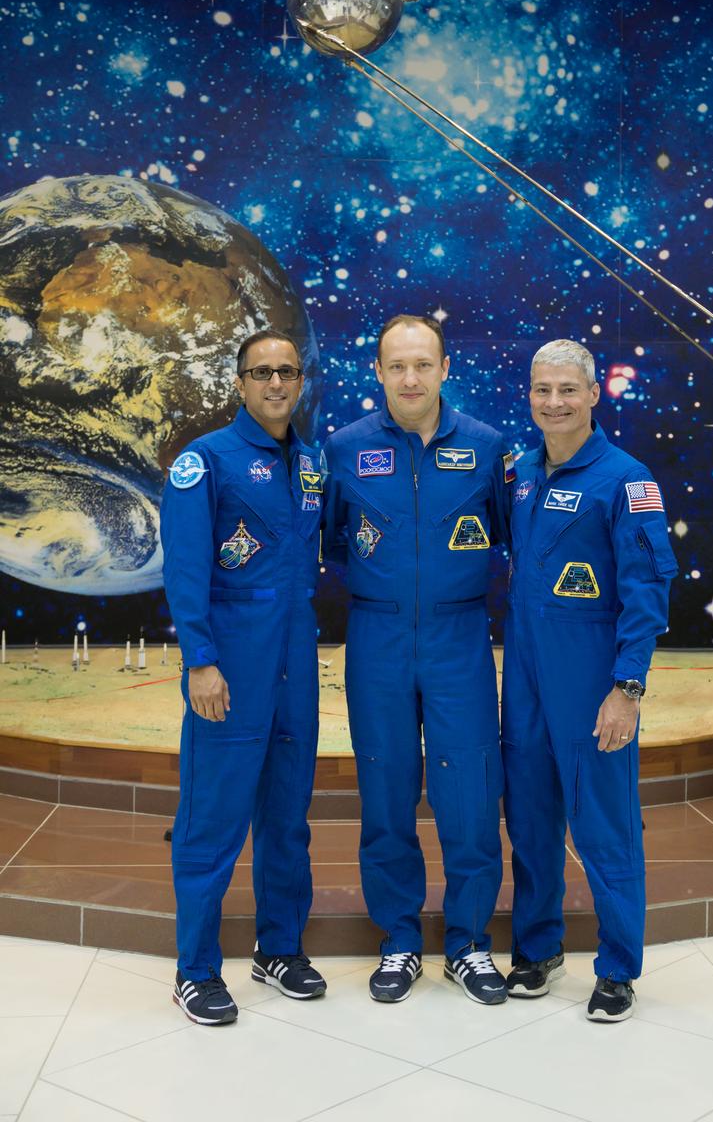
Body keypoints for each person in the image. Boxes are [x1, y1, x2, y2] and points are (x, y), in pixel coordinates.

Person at [323, 315, 515, 1005]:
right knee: (384, 792)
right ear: (377, 371)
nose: (409, 378)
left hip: (458, 638)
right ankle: (400, 939)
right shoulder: (343, 449)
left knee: (468, 792)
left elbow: (509, 536)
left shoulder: (488, 447)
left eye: (422, 365)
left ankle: (467, 942)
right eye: (396, 366)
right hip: (376, 638)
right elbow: (336, 543)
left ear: (443, 369)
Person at [501, 339, 677, 1022]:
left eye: (567, 390)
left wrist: (626, 687)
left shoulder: (625, 480)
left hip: (591, 677)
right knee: (532, 819)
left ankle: (616, 967)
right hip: (525, 678)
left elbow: (647, 589)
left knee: (603, 824)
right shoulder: (520, 474)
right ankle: (538, 949)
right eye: (542, 390)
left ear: (593, 392)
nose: (553, 403)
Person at [160, 329, 327, 1025]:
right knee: (213, 819)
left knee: (288, 820)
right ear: (239, 383)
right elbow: (186, 570)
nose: (276, 384)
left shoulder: (312, 463)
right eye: (261, 372)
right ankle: (195, 969)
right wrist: (200, 660)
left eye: (287, 371)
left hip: (294, 667)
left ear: (300, 380)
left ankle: (278, 948)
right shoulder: (206, 463)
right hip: (229, 665)